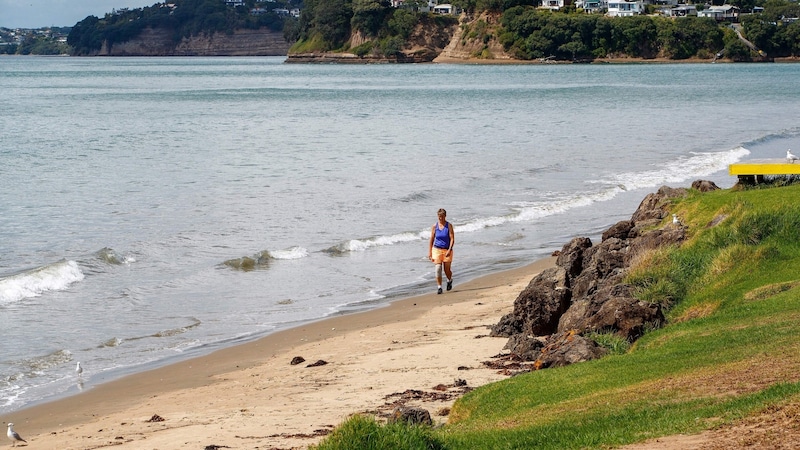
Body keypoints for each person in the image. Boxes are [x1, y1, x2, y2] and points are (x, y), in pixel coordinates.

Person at [428, 208, 454, 294]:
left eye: (442, 217)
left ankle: (449, 280)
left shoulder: (449, 226)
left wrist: (449, 250)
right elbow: (431, 239)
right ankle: (439, 287)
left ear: (445, 216)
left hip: (447, 249)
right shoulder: (435, 226)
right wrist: (430, 252)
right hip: (436, 249)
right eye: (439, 217)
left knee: (447, 270)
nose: (440, 219)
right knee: (438, 268)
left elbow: (452, 239)